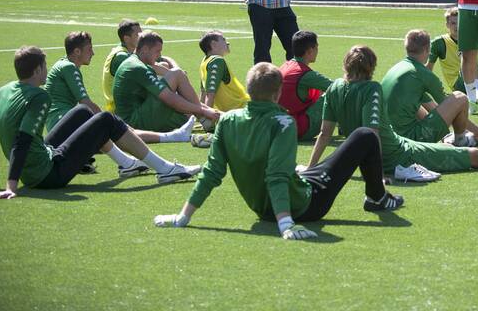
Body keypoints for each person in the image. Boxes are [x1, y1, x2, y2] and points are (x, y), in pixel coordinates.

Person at [153, 62, 403, 240]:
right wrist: (286, 223)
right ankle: (378, 197)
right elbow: (276, 175)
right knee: (365, 135)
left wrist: (182, 217)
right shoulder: (282, 122)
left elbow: (212, 172)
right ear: (278, 93)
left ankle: (374, 196)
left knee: (312, 170)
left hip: (264, 209)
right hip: (303, 206)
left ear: (249, 90)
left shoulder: (228, 121)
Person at [1, 46, 201, 199]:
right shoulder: (39, 96)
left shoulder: (5, 90)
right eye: (44, 66)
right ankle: (166, 169)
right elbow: (23, 140)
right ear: (37, 70)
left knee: (82, 111)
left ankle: (127, 164)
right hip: (48, 175)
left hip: (35, 165)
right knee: (106, 119)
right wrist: (12, 185)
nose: (47, 70)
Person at [307, 45, 478, 184]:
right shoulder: (371, 88)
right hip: (401, 154)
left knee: (454, 151)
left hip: (399, 146)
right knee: (472, 157)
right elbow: (371, 135)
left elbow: (325, 134)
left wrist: (310, 167)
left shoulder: (335, 87)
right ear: (371, 67)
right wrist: (378, 176)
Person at [383, 30, 478, 146]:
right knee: (460, 98)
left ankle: (446, 136)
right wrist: (477, 132)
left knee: (418, 104)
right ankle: (460, 140)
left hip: (389, 137)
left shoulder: (397, 68)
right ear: (427, 50)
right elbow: (451, 107)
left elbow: (431, 106)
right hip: (410, 139)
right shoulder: (423, 74)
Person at [113, 31, 218, 135]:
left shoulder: (135, 62)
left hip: (132, 119)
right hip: (135, 122)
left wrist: (204, 109)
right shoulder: (138, 67)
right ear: (145, 49)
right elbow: (169, 98)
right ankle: (205, 118)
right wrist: (203, 111)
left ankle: (208, 118)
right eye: (157, 51)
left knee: (188, 112)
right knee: (177, 75)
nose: (159, 55)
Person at [277, 30, 332, 141]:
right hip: (298, 128)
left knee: (319, 91)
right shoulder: (305, 74)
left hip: (280, 126)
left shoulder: (286, 65)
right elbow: (338, 86)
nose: (317, 51)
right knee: (334, 94)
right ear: (310, 50)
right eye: (316, 47)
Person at [43, 31, 99, 132]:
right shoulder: (69, 67)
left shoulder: (64, 64)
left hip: (58, 121)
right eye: (89, 49)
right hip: (61, 122)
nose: (93, 53)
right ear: (77, 51)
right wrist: (109, 118)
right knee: (105, 127)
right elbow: (85, 103)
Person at [102, 19, 141, 113]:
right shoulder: (121, 56)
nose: (142, 38)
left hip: (124, 106)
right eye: (138, 35)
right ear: (127, 38)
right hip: (120, 110)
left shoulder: (125, 50)